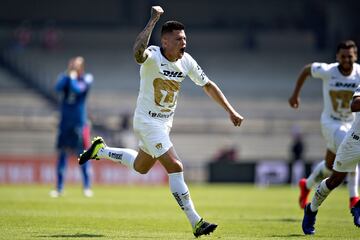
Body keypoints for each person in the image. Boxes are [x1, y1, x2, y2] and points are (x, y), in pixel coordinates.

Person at [78, 6, 243, 238]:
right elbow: (137, 53)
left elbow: (207, 84)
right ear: (165, 42)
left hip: (164, 124)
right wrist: (154, 19)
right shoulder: (153, 55)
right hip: (147, 122)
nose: (184, 42)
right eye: (178, 39)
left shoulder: (187, 62)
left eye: (185, 38)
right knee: (176, 166)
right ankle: (196, 222)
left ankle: (101, 150)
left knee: (141, 167)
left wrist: (230, 110)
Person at [289, 40, 360, 209]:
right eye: (343, 56)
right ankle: (354, 197)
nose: (346, 60)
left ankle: (306, 185)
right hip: (331, 122)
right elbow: (306, 70)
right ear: (337, 57)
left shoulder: (359, 73)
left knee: (329, 167)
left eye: (350, 56)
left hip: (351, 124)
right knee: (351, 148)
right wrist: (295, 95)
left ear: (355, 56)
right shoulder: (328, 71)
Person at [301, 84, 360, 235]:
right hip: (354, 141)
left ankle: (358, 205)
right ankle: (311, 209)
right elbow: (354, 105)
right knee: (334, 181)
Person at [50, 56, 94, 198]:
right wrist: (68, 74)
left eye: (77, 65)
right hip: (65, 123)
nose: (74, 67)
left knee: (83, 156)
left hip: (79, 124)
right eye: (73, 65)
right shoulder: (65, 78)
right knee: (62, 155)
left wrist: (73, 77)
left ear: (82, 66)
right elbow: (57, 87)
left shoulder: (86, 78)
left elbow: (78, 90)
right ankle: (59, 188)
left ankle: (87, 187)